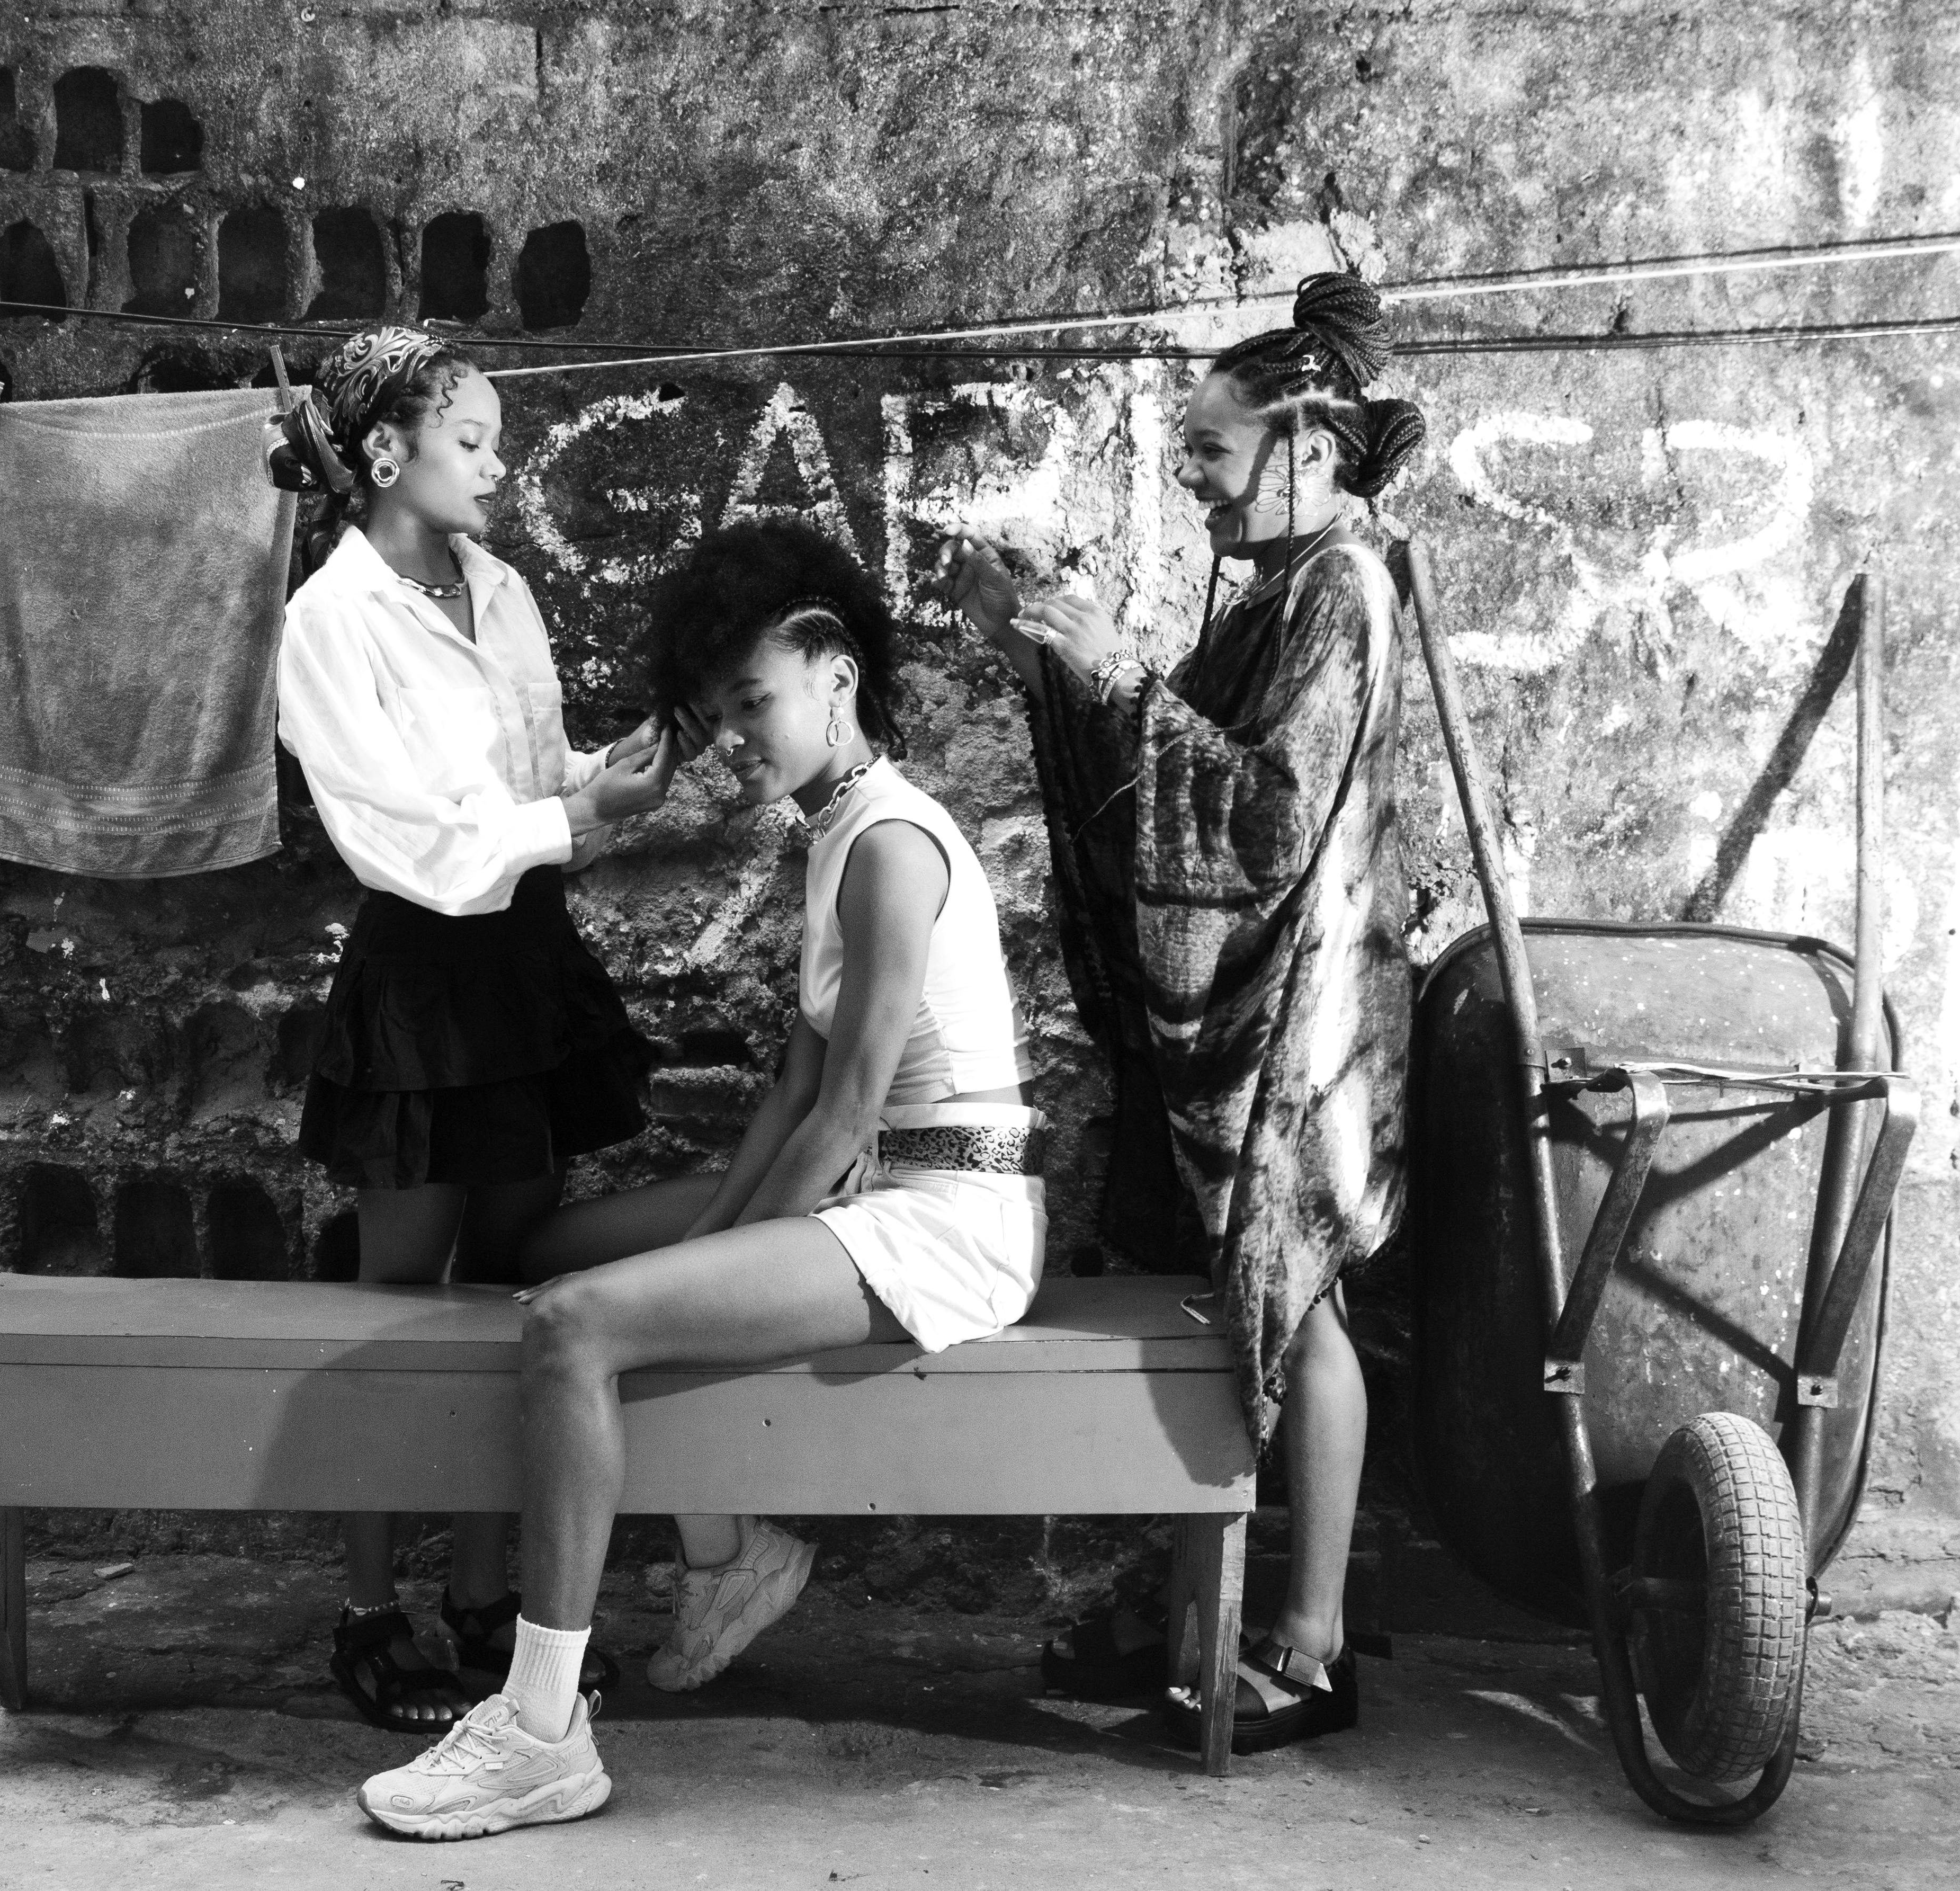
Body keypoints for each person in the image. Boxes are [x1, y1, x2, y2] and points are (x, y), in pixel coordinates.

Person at [355, 518, 1043, 1839]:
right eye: (723, 711)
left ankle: (540, 1728)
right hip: (866, 1187)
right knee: (556, 1256)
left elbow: (843, 1114)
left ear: (834, 671)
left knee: (575, 1325)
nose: (740, 735)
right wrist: (692, 1257)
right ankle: (733, 1552)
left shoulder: (895, 843)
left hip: (945, 1213)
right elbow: (790, 1092)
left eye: (757, 701)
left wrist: (680, 1278)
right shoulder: (829, 832)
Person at [948, 272, 1424, 1755]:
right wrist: (1050, 652)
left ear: (1303, 448)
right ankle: (1197, 1620)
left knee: (1301, 1299)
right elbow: (1174, 761)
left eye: (1213, 457)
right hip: (1273, 998)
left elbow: (1266, 823)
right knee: (1246, 1301)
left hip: (1302, 1011)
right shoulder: (1291, 587)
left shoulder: (1340, 593)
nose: (1197, 489)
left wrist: (1104, 664)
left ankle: (1307, 1641)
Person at [266, 324, 690, 1733]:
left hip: (521, 967)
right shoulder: (331, 621)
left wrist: (594, 772)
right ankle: (372, 1604)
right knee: (399, 1308)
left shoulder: (492, 587)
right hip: (425, 980)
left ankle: (496, 1599)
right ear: (384, 456)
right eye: (472, 442)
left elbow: (513, 775)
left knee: (517, 1298)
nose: (498, 466)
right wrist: (578, 818)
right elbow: (409, 838)